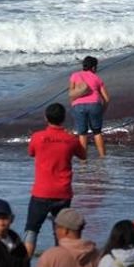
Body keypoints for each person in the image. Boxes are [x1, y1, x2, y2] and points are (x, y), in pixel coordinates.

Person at [23, 103, 87, 257]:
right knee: (61, 234)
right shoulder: (70, 139)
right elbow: (83, 155)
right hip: (63, 193)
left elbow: (31, 153)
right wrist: (77, 137)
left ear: (46, 118)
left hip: (41, 192)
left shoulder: (37, 137)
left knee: (31, 230)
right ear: (63, 118)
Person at [68, 55, 110, 158]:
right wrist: (102, 110)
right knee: (97, 132)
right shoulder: (97, 78)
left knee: (82, 133)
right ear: (94, 67)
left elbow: (71, 94)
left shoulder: (75, 75)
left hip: (78, 106)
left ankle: (83, 159)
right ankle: (102, 157)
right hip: (94, 105)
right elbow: (107, 99)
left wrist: (73, 106)